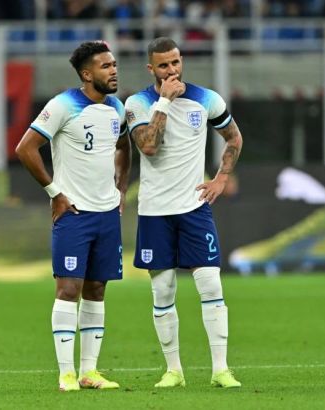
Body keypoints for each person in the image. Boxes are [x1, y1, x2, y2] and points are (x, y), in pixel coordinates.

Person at [124, 37, 243, 389]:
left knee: (211, 285)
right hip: (155, 212)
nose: (172, 70)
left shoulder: (207, 99)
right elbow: (149, 146)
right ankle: (173, 370)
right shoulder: (138, 103)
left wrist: (222, 178)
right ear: (151, 69)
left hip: (194, 209)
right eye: (163, 65)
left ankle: (221, 369)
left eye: (176, 62)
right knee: (163, 293)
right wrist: (164, 101)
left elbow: (234, 138)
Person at [15, 41, 131, 392]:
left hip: (107, 213)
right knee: (69, 289)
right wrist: (55, 193)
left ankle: (89, 372)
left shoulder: (116, 108)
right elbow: (25, 148)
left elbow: (124, 146)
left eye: (114, 64)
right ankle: (66, 373)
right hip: (75, 213)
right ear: (86, 74)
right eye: (105, 66)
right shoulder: (63, 105)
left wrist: (121, 187)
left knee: (97, 289)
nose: (113, 70)